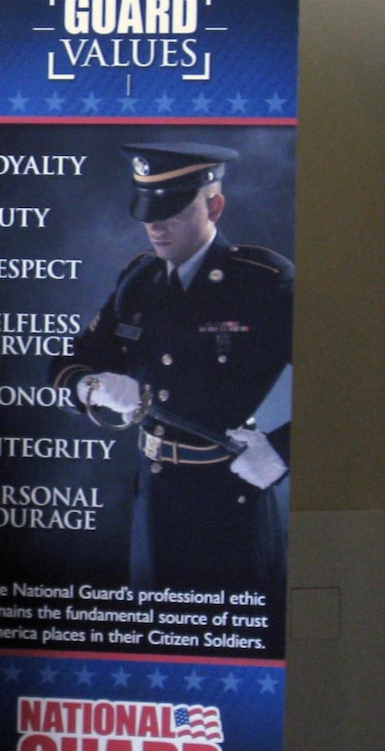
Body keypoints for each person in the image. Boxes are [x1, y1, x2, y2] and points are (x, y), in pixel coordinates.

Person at [54, 142, 292, 592]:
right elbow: (71, 362)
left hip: (230, 501)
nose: (155, 227)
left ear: (214, 206)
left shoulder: (263, 282)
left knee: (230, 639)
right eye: (148, 213)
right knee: (154, 635)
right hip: (155, 500)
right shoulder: (139, 280)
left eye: (174, 212)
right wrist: (93, 386)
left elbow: (340, 387)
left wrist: (281, 450)